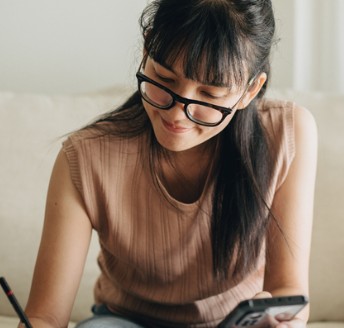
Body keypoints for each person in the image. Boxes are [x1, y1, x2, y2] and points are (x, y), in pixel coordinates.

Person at [23, 0, 317, 327]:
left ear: (250, 90)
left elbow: (289, 292)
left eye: (209, 95)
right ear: (147, 49)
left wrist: (282, 320)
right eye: (165, 79)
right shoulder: (86, 156)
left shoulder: (287, 134)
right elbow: (45, 316)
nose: (176, 115)